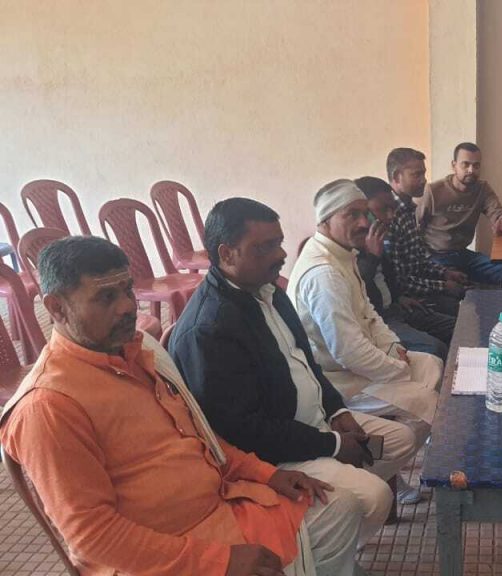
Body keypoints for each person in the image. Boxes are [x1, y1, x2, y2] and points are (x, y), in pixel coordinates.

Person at [0, 236, 360, 576]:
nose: (127, 306)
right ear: (56, 308)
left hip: (220, 508)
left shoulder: (136, 354)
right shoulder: (48, 406)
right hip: (162, 556)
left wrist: (266, 474)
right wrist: (220, 561)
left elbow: (203, 441)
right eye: (106, 297)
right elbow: (93, 537)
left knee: (341, 507)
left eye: (127, 290)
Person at [170, 198, 418, 543]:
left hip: (313, 423)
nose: (281, 255)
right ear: (227, 254)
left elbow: (306, 362)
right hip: (274, 455)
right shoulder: (211, 329)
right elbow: (244, 432)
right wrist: (332, 445)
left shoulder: (269, 289)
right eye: (265, 247)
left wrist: (338, 411)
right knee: (374, 496)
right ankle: (325, 546)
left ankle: (338, 539)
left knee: (401, 440)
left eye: (279, 242)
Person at [288, 180, 443, 504]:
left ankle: (386, 461)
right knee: (427, 404)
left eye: (364, 213)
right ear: (325, 220)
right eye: (352, 215)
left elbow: (370, 314)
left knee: (431, 363)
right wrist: (397, 369)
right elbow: (348, 352)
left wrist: (394, 348)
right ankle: (367, 481)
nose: (363, 222)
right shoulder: (324, 274)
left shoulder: (342, 255)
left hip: (357, 369)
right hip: (337, 381)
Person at [354, 175, 456, 358]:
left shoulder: (379, 237)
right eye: (383, 209)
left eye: (392, 209)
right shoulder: (353, 248)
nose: (390, 216)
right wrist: (372, 257)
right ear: (363, 213)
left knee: (457, 327)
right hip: (378, 320)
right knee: (435, 348)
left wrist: (398, 298)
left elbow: (389, 278)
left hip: (396, 307)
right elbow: (358, 289)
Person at [385, 147, 467, 316]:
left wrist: (445, 273)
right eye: (417, 175)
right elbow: (398, 280)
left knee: (471, 296)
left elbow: (418, 261)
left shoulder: (410, 209)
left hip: (421, 286)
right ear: (396, 177)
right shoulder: (390, 216)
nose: (424, 180)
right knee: (464, 312)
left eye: (424, 173)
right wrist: (442, 286)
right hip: (407, 298)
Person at [418, 142, 502, 286]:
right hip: (436, 256)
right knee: (457, 288)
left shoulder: (482, 189)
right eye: (465, 164)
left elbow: (499, 212)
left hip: (464, 255)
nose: (471, 170)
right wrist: (428, 259)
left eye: (476, 166)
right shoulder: (433, 191)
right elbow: (416, 228)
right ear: (454, 165)